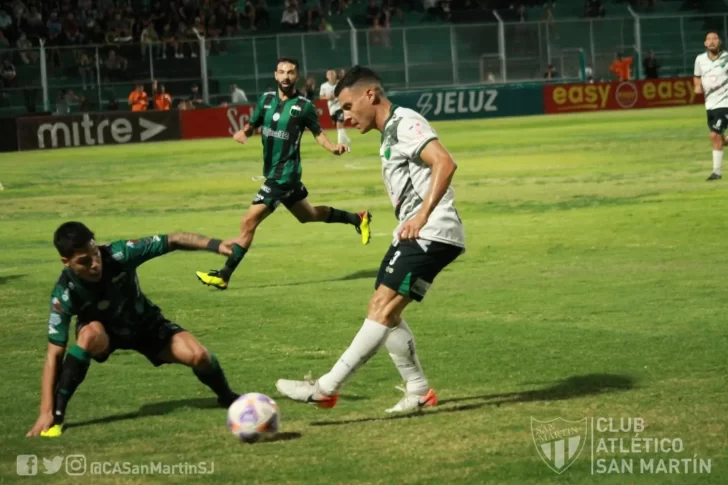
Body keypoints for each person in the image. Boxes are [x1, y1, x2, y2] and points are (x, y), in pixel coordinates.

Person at [275, 65, 465, 412]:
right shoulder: (390, 131)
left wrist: (421, 216)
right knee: (385, 312)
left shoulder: (405, 123)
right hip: (419, 231)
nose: (344, 117)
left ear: (370, 95)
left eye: (347, 107)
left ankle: (326, 388)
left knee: (381, 308)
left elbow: (445, 163)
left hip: (430, 231)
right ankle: (419, 390)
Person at [26, 222, 240, 438]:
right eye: (84, 261)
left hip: (145, 325)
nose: (95, 264)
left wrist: (217, 245)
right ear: (66, 262)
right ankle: (57, 416)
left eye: (95, 254)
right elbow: (54, 354)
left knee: (199, 355)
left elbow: (174, 239)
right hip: (104, 335)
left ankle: (228, 397)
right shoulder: (63, 293)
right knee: (89, 335)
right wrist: (45, 411)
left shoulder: (121, 253)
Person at [195, 57, 371, 290]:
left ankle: (224, 275)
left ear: (296, 76)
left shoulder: (304, 106)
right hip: (274, 173)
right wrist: (244, 132)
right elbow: (254, 122)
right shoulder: (265, 100)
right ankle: (357, 218)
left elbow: (318, 133)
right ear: (275, 75)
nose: (286, 76)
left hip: (284, 175)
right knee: (308, 215)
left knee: (248, 221)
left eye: (290, 72)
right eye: (282, 72)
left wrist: (332, 148)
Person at [694, 31, 728, 181]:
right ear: (705, 43)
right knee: (719, 139)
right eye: (709, 39)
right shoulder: (700, 59)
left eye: (715, 38)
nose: (712, 41)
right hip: (710, 105)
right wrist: (697, 86)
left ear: (719, 42)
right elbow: (697, 76)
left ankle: (717, 173)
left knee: (714, 135)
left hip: (726, 103)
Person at [320, 69, 350, 145]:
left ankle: (340, 143)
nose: (331, 76)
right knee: (336, 124)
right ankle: (346, 139)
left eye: (332, 74)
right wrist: (328, 97)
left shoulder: (340, 84)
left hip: (341, 106)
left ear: (335, 75)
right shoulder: (324, 86)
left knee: (339, 124)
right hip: (332, 108)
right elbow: (321, 97)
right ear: (327, 76)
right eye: (329, 74)